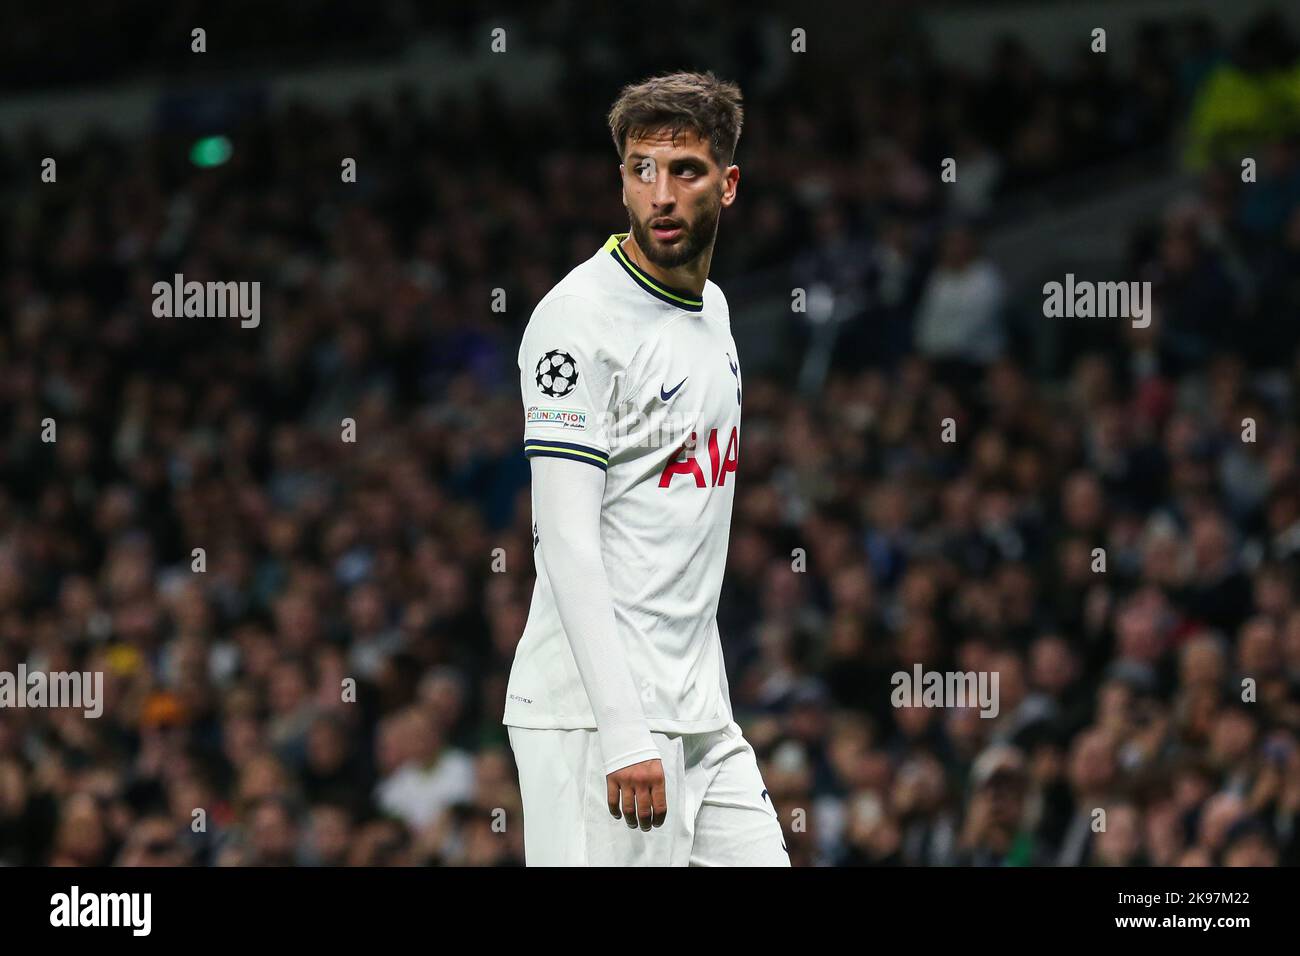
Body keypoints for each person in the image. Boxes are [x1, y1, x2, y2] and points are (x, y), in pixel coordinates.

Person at [503, 70, 789, 866]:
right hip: (596, 720)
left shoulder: (718, 312)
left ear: (728, 185)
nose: (661, 194)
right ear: (622, 180)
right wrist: (626, 732)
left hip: (700, 713)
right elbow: (565, 540)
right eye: (641, 170)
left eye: (686, 171)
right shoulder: (576, 321)